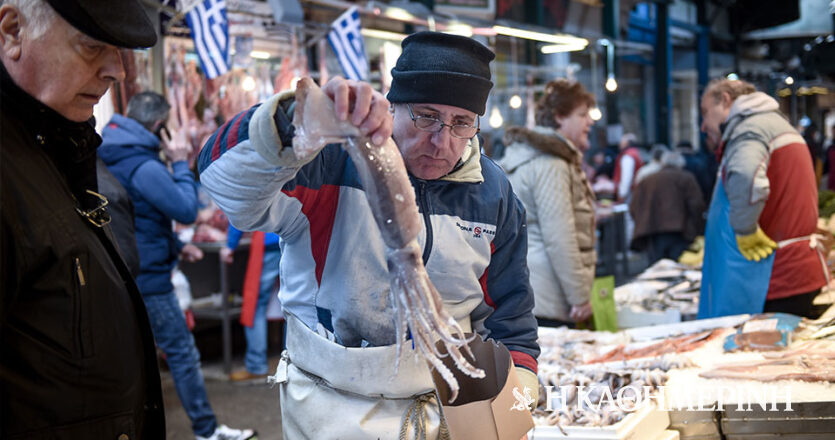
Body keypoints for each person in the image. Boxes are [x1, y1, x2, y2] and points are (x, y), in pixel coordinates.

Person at [199, 31, 539, 439]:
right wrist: (297, 123)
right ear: (394, 106)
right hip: (329, 407)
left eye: (461, 123)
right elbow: (224, 185)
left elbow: (511, 314)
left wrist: (519, 396)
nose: (441, 140)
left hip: (446, 412)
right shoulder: (326, 162)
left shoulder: (493, 193)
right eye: (427, 116)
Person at [0, 0, 165, 437]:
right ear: (13, 31)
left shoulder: (62, 146)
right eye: (92, 46)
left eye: (120, 51)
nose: (118, 72)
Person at [98, 92, 256, 440]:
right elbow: (185, 210)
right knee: (182, 355)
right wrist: (181, 163)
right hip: (151, 280)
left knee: (133, 362)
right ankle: (206, 430)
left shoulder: (111, 155)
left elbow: (137, 219)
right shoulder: (145, 166)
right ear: (159, 127)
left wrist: (175, 247)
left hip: (125, 272)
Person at [697, 78, 826, 319]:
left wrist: (744, 228)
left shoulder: (751, 128)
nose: (704, 126)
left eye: (705, 113)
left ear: (725, 100)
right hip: (791, 275)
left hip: (775, 279)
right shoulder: (775, 124)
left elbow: (746, 174)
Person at [498, 79, 596, 328]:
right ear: (559, 117)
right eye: (582, 115)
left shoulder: (537, 159)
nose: (590, 121)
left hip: (532, 290)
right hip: (547, 297)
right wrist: (580, 296)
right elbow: (559, 236)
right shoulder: (551, 164)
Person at [221, 226, 281, 381]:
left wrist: (230, 245)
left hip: (269, 242)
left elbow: (241, 207)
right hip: (294, 240)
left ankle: (256, 365)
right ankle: (295, 365)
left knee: (255, 306)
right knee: (294, 307)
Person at [629, 150, 705, 264]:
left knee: (657, 269)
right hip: (679, 232)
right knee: (678, 268)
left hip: (653, 232)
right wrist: (695, 228)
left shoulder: (648, 180)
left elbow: (634, 206)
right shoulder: (686, 178)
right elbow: (696, 205)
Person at [613, 132, 644, 202]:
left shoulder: (628, 156)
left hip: (630, 194)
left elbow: (626, 178)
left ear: (626, 143)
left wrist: (622, 194)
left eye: (621, 142)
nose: (619, 144)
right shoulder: (636, 153)